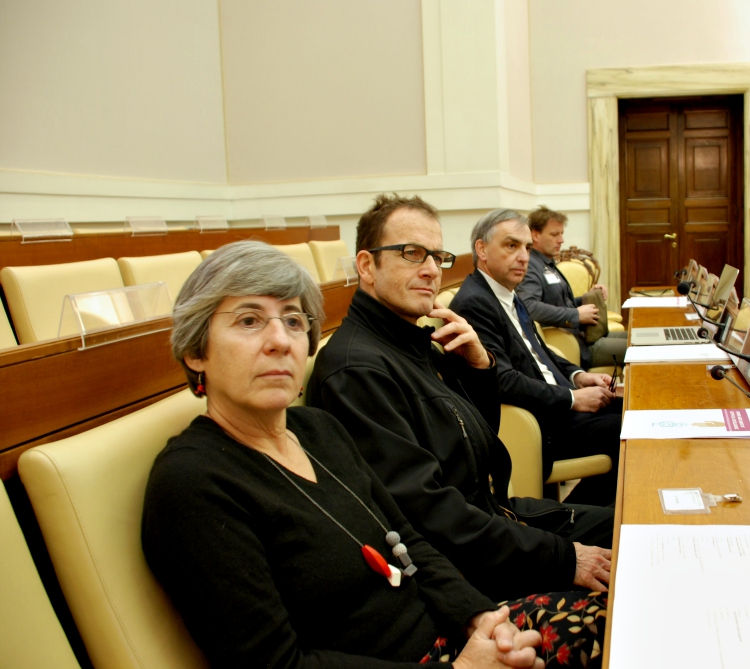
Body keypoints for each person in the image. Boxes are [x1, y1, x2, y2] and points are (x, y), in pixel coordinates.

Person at [142, 240, 605, 669]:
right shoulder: (193, 483)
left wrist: (479, 619)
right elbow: (275, 663)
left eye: (293, 320)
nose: (280, 340)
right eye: (248, 321)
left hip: (451, 636)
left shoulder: (317, 429)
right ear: (195, 351)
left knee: (635, 603)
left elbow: (407, 538)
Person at [307, 194, 613, 604]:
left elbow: (477, 441)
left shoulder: (416, 341)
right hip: (467, 567)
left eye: (437, 256)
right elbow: (429, 517)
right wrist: (562, 558)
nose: (432, 270)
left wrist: (480, 367)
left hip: (495, 521)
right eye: (413, 254)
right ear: (367, 266)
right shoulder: (357, 371)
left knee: (633, 526)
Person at [450, 210, 622, 507]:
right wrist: (572, 398)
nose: (523, 256)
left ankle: (590, 515)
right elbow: (501, 380)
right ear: (482, 249)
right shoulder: (475, 303)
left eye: (527, 247)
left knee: (633, 409)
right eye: (511, 245)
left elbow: (541, 352)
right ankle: (576, 519)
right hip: (537, 422)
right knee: (625, 431)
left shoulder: (508, 294)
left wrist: (579, 377)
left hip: (553, 405)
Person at [518, 206, 626, 369]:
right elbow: (529, 307)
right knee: (640, 350)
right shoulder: (530, 266)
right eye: (555, 234)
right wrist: (575, 314)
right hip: (576, 346)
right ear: (535, 235)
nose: (561, 240)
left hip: (583, 336)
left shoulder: (546, 263)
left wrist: (585, 298)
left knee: (638, 339)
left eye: (561, 234)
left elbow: (558, 301)